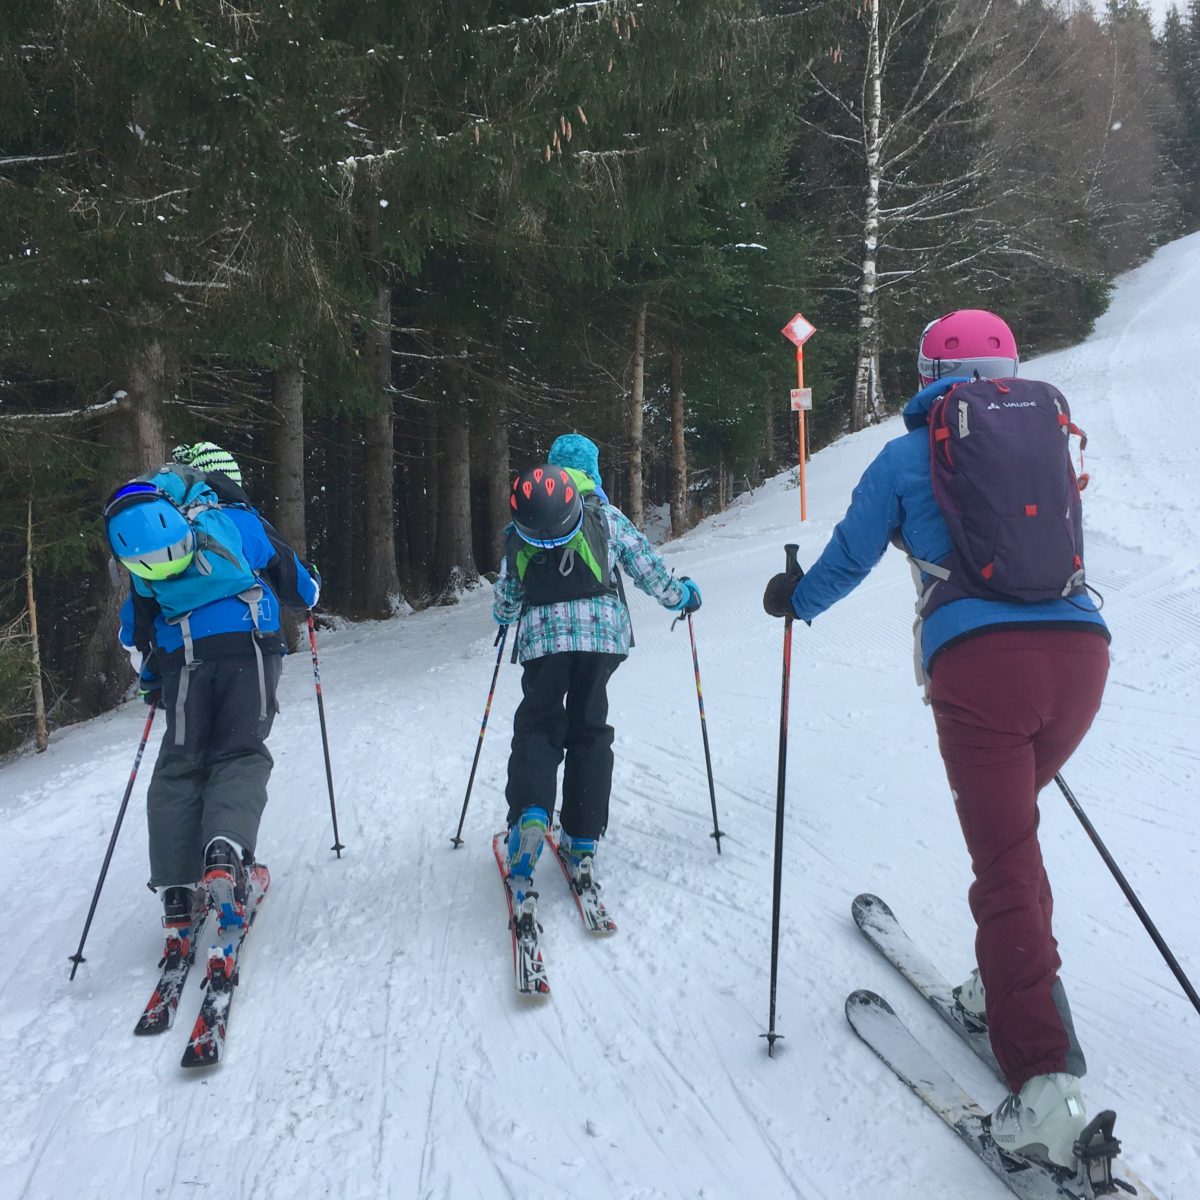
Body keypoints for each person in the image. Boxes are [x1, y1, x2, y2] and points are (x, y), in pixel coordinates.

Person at [762, 311, 1110, 1172]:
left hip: (982, 671)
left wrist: (793, 600)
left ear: (924, 376)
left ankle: (1046, 1097)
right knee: (1014, 847)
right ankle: (1004, 988)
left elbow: (846, 556)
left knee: (1005, 865)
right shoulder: (1043, 441)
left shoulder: (906, 455)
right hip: (1081, 657)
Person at [106, 446, 320, 957]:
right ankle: (224, 852)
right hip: (251, 648)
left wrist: (150, 674)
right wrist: (307, 594)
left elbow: (134, 630)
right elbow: (300, 588)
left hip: (183, 661)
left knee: (180, 765)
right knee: (239, 752)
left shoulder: (153, 536)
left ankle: (178, 893)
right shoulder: (242, 521)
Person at [493, 434, 701, 929]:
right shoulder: (605, 516)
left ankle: (531, 817)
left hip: (544, 642)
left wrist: (505, 618)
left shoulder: (527, 519)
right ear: (593, 471)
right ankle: (581, 839)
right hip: (602, 637)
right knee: (590, 728)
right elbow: (647, 569)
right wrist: (682, 597)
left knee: (538, 727)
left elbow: (507, 596)